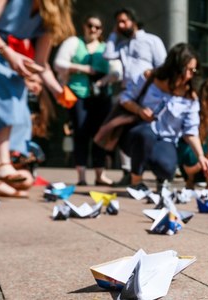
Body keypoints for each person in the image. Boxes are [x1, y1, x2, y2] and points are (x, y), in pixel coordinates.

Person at [0, 0, 74, 185]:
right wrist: (8, 53)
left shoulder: (49, 14)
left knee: (16, 93)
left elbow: (40, 64)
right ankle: (1, 163)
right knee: (6, 84)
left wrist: (58, 91)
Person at [117, 43, 208, 192]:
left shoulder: (190, 96)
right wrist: (140, 110)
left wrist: (201, 156)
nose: (190, 75)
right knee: (146, 134)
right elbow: (124, 98)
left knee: (168, 169)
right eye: (187, 70)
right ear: (175, 67)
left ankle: (162, 178)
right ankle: (136, 181)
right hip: (137, 135)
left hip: (165, 140)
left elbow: (190, 132)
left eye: (194, 70)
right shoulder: (150, 78)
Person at [54, 14, 122, 186]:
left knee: (100, 135)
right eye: (90, 25)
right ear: (84, 26)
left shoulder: (106, 47)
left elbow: (117, 72)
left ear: (101, 31)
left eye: (97, 27)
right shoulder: (74, 43)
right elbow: (59, 63)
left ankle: (100, 175)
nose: (93, 29)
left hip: (101, 96)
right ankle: (81, 176)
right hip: (78, 95)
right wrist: (83, 68)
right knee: (81, 134)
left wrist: (103, 81)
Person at [102, 7, 167, 186]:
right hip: (128, 95)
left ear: (134, 21)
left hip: (149, 94)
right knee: (122, 132)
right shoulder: (123, 45)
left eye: (124, 21)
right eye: (118, 23)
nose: (121, 25)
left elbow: (162, 66)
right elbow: (107, 54)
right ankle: (129, 173)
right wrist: (114, 34)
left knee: (151, 131)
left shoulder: (152, 40)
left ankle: (160, 174)